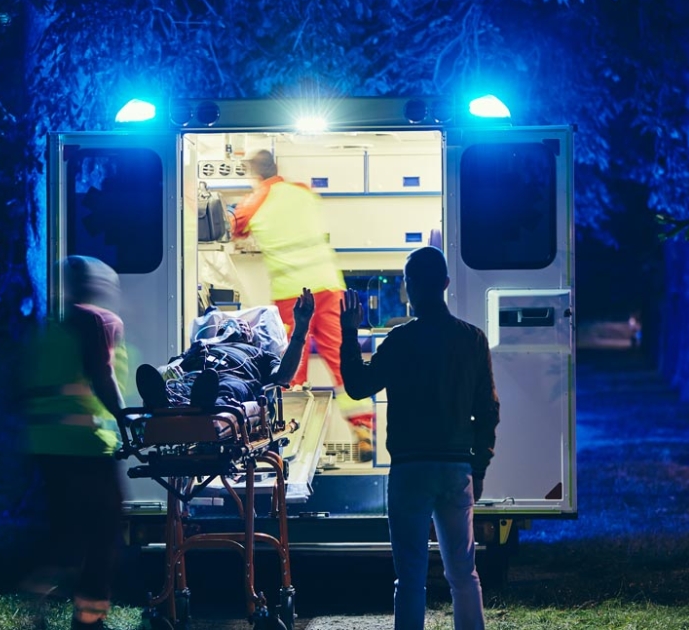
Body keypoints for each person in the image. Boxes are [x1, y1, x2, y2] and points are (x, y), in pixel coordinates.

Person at [339, 246, 500, 630]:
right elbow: (489, 411)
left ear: (409, 288)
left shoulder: (399, 341)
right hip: (456, 468)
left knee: (410, 577)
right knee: (464, 572)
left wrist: (348, 333)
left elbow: (359, 386)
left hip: (410, 471)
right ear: (445, 284)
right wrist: (477, 467)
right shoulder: (472, 340)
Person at [232, 150, 375, 460]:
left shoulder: (253, 202)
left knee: (291, 366)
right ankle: (363, 427)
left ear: (254, 173)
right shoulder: (302, 191)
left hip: (293, 294)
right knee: (341, 358)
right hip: (329, 283)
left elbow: (236, 229)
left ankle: (289, 440)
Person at [20, 256, 128, 630]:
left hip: (46, 445)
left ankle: (37, 590)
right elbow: (102, 375)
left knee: (68, 530)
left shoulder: (50, 326)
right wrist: (125, 418)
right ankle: (89, 619)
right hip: (84, 445)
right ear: (96, 286)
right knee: (104, 529)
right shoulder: (96, 321)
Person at [144, 289, 316, 410]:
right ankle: (164, 402)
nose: (234, 323)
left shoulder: (260, 354)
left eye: (243, 324)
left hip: (234, 381)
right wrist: (166, 370)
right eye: (225, 323)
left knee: (228, 388)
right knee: (174, 382)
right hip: (196, 379)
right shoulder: (203, 345)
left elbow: (283, 376)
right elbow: (172, 366)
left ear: (250, 336)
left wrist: (301, 328)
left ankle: (206, 409)